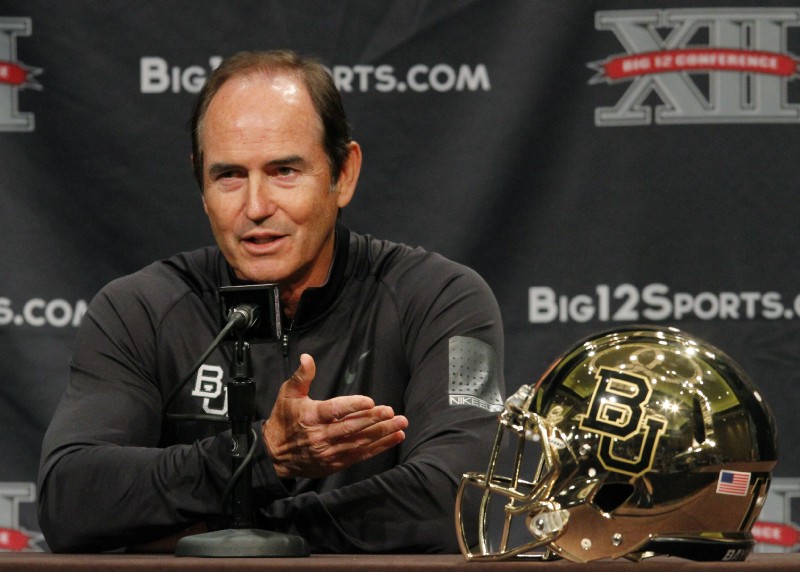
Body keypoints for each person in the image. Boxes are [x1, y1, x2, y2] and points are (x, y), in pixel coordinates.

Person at [37, 49, 505, 554]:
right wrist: (266, 454)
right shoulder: (141, 310)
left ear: (342, 173)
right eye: (229, 175)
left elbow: (464, 497)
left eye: (284, 171)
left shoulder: (439, 300)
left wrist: (249, 532)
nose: (256, 207)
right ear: (201, 181)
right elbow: (70, 498)